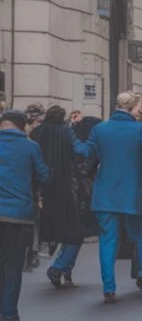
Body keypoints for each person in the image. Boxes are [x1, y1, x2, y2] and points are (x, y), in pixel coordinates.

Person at [68, 91, 142, 301]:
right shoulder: (138, 129)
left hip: (105, 193)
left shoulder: (100, 129)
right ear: (132, 109)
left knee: (108, 242)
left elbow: (85, 152)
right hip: (132, 191)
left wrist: (69, 134)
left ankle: (109, 288)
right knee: (141, 234)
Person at [0, 109, 50, 321]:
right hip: (18, 216)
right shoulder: (31, 147)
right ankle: (9, 313)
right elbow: (44, 176)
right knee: (13, 266)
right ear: (22, 125)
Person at [29, 107, 84, 289]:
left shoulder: (37, 132)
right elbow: (78, 150)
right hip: (65, 186)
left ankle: (61, 267)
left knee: (53, 226)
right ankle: (61, 268)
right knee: (74, 232)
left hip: (44, 188)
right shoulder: (66, 130)